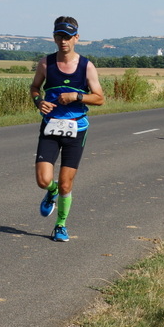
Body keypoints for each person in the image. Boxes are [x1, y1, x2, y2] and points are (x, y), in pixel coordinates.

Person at [30, 17, 105, 242]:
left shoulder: (86, 66)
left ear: (76, 38)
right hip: (51, 126)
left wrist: (77, 96)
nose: (64, 41)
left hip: (77, 128)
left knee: (66, 182)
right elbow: (34, 87)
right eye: (59, 36)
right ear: (54, 37)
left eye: (68, 36)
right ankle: (50, 192)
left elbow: (100, 98)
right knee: (43, 180)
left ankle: (60, 225)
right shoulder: (45, 64)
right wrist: (38, 101)